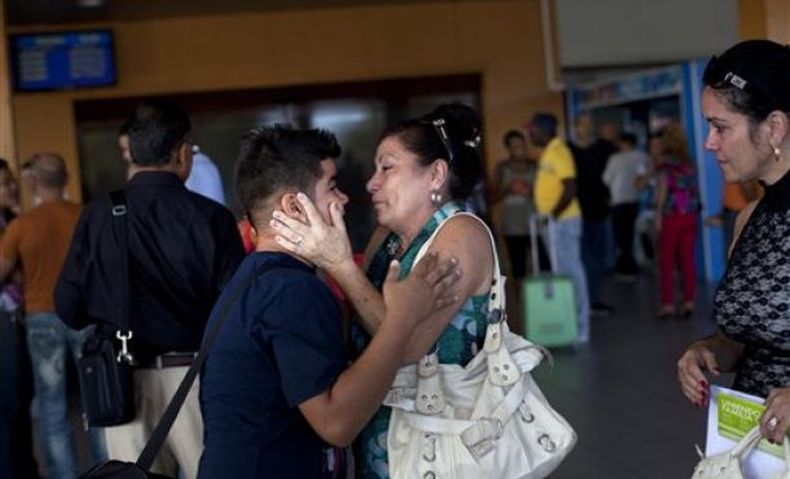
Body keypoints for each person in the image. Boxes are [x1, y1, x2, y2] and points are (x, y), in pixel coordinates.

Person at [198, 125, 460, 479]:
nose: (345, 199)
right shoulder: (290, 288)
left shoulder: (257, 277)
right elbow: (337, 424)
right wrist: (403, 317)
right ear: (294, 206)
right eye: (332, 187)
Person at [269, 103, 496, 478]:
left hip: (442, 449)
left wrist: (339, 264)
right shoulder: (387, 237)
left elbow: (406, 346)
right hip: (383, 440)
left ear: (435, 175)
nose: (371, 183)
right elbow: (359, 317)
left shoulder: (461, 233)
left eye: (387, 168)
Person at [55, 100, 245, 478]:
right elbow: (237, 311)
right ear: (181, 152)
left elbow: (68, 306)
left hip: (122, 385)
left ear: (132, 153)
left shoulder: (99, 214)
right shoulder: (213, 218)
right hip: (197, 380)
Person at [676, 39, 790, 445]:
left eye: (720, 127)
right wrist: (708, 350)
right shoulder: (748, 220)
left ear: (774, 128)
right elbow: (746, 339)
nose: (709, 142)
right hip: (754, 449)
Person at [0, 153, 107, 479]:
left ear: (34, 182)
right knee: (95, 402)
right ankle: (105, 471)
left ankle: (64, 475)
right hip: (85, 316)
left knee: (52, 407)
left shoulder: (21, 225)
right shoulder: (87, 216)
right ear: (66, 179)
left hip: (41, 319)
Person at [531, 112, 591, 343]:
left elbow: (570, 187)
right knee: (563, 273)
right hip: (553, 222)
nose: (530, 135)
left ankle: (581, 326)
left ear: (542, 130)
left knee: (572, 273)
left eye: (533, 130)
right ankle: (569, 323)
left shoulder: (559, 151)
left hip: (563, 222)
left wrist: (553, 216)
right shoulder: (548, 152)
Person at [0, 162, 40, 479]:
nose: (12, 187)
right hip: (5, 319)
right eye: (4, 183)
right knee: (10, 401)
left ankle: (24, 468)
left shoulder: (13, 220)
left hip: (18, 315)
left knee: (21, 398)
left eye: (11, 180)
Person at [569, 113, 617, 315]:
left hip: (599, 210)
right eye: (582, 124)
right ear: (575, 127)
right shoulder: (567, 150)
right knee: (581, 259)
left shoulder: (604, 148)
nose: (587, 128)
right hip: (574, 213)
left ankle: (593, 300)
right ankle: (581, 302)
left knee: (598, 260)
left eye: (590, 125)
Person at [654, 124, 700, 319]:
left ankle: (668, 304)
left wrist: (658, 214)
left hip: (671, 216)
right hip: (689, 215)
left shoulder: (664, 165)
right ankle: (689, 301)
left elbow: (662, 192)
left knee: (667, 261)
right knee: (687, 260)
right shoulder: (689, 163)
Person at [492, 129, 545, 280]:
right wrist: (508, 189)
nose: (519, 149)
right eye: (514, 146)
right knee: (518, 268)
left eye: (522, 145)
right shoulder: (502, 168)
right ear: (508, 148)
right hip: (513, 227)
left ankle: (542, 294)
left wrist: (531, 191)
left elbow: (546, 193)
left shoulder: (535, 165)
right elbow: (492, 198)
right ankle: (521, 295)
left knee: (542, 265)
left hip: (536, 224)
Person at [603, 132, 651, 278]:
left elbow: (606, 179)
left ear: (624, 143)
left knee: (620, 236)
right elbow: (642, 176)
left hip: (618, 200)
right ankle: (632, 264)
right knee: (630, 235)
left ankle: (625, 267)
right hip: (634, 200)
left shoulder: (615, 159)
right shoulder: (641, 157)